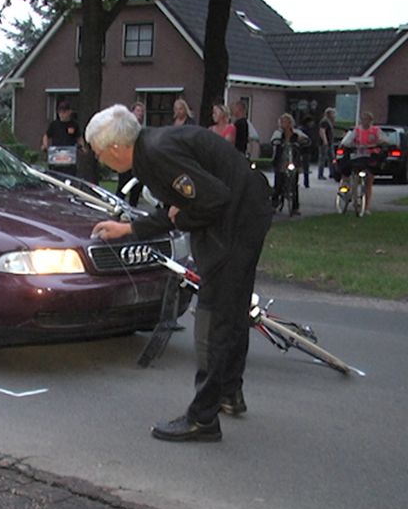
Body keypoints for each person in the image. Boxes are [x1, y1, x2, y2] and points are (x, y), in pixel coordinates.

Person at [87, 104, 272, 443]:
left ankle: (203, 418)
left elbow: (212, 200)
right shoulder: (153, 147)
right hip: (247, 210)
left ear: (115, 148)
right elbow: (183, 203)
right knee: (233, 309)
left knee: (214, 317)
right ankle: (229, 392)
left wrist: (182, 216)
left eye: (98, 153)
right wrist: (129, 229)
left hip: (233, 223)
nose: (100, 160)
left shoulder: (157, 155)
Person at [339, 111, 388, 215]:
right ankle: (346, 187)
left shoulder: (376, 130)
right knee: (346, 167)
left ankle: (366, 207)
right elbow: (346, 141)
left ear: (371, 121)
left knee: (368, 181)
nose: (365, 122)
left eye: (367, 120)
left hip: (370, 157)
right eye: (363, 119)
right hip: (358, 156)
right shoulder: (357, 130)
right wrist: (350, 144)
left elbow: (383, 139)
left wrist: (380, 143)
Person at [270, 113, 309, 216]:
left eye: (287, 121)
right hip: (281, 160)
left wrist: (302, 140)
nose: (285, 124)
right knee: (278, 183)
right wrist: (277, 142)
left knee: (294, 184)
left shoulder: (296, 133)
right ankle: (274, 204)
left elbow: (306, 139)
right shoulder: (278, 133)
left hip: (293, 160)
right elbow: (274, 140)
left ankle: (295, 207)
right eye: (283, 122)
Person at [114, 101, 145, 206]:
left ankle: (133, 208)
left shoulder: (141, 128)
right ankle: (118, 206)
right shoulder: (127, 126)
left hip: (137, 161)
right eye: (138, 110)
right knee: (123, 186)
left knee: (136, 186)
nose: (140, 113)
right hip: (126, 160)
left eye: (142, 111)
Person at [41, 100, 79, 176]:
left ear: (69, 112)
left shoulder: (74, 124)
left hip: (69, 156)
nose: (62, 114)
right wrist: (45, 145)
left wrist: (82, 147)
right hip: (56, 155)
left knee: (69, 175)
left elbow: (79, 137)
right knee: (55, 175)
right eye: (60, 112)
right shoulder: (54, 124)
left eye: (64, 112)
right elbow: (46, 136)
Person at [318, 107, 337, 180]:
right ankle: (320, 174)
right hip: (325, 143)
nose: (334, 115)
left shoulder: (329, 121)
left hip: (329, 143)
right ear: (329, 114)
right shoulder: (324, 122)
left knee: (331, 158)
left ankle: (332, 173)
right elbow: (322, 131)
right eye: (333, 113)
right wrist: (325, 141)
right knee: (323, 159)